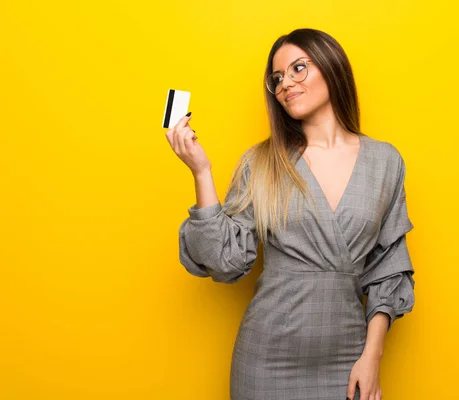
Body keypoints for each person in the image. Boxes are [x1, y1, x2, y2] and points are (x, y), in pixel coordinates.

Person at [166, 28, 415, 400]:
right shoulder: (262, 162)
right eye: (277, 78)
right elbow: (225, 261)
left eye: (298, 69)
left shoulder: (385, 162)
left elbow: (388, 268)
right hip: (267, 358)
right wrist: (201, 172)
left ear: (332, 67)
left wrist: (372, 356)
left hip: (349, 356)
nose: (285, 85)